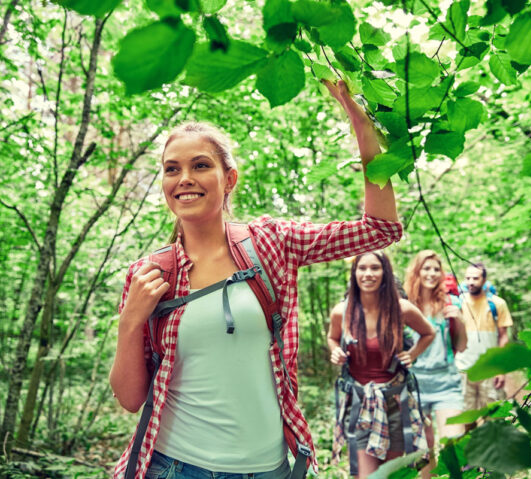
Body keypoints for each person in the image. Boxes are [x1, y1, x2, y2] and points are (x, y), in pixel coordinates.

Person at [109, 80, 404, 479]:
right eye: (171, 169)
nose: (185, 179)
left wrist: (362, 128)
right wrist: (130, 320)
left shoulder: (271, 243)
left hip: (268, 468)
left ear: (229, 179)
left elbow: (380, 229)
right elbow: (130, 400)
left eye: (200, 165)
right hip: (175, 466)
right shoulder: (150, 274)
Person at [328, 251, 435, 478]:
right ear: (354, 273)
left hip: (395, 402)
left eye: (375, 268)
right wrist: (335, 351)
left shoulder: (401, 308)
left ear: (385, 273)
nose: (368, 274)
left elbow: (428, 332)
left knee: (392, 474)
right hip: (359, 403)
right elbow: (332, 337)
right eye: (362, 268)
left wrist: (412, 354)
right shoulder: (342, 311)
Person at [403, 250, 467, 478]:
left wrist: (458, 320)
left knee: (454, 444)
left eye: (436, 269)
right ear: (417, 272)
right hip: (415, 386)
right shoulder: (407, 305)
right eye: (426, 268)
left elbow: (461, 346)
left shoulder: (452, 302)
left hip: (446, 383)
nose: (431, 273)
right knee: (424, 453)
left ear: (441, 274)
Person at [455, 262, 513, 423]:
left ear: (484, 279)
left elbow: (503, 337)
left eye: (475, 278)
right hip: (463, 370)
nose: (471, 282)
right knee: (464, 421)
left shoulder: (497, 303)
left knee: (496, 418)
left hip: (490, 371)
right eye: (467, 278)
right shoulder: (458, 303)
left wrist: (501, 369)